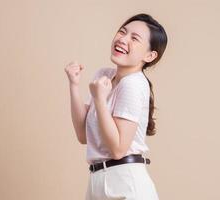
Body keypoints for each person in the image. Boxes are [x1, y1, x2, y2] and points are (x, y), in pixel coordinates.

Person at [64, 13, 168, 200]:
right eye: (122, 31)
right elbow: (82, 135)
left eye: (134, 38)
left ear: (150, 55)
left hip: (124, 183)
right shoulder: (104, 75)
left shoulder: (134, 83)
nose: (122, 39)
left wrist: (100, 101)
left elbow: (118, 149)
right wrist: (74, 85)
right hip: (99, 181)